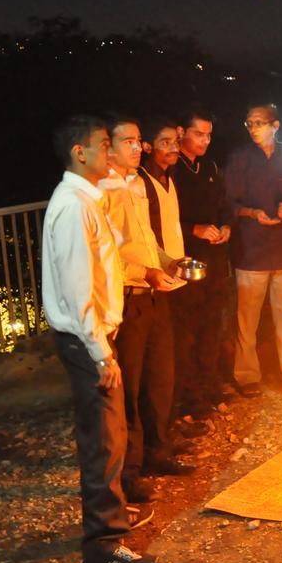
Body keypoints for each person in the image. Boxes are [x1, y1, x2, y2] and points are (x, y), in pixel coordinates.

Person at [42, 114, 156, 563]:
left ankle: (111, 515)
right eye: (104, 144)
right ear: (79, 152)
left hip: (93, 338)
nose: (111, 153)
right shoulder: (73, 207)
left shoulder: (88, 198)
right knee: (104, 440)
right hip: (86, 340)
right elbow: (76, 287)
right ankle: (102, 550)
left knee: (109, 433)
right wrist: (100, 351)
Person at [99, 113, 195, 504]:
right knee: (130, 389)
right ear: (108, 147)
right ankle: (129, 474)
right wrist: (146, 273)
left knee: (160, 378)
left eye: (140, 141)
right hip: (129, 297)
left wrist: (167, 262)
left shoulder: (136, 184)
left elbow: (144, 238)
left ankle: (158, 452)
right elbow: (106, 256)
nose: (138, 148)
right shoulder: (101, 191)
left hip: (154, 294)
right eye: (129, 142)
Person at [224, 103, 282, 391]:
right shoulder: (239, 159)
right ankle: (247, 376)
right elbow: (230, 203)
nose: (252, 129)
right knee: (247, 321)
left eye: (259, 123)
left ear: (275, 126)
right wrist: (252, 213)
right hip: (251, 251)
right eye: (249, 123)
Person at [170, 107, 241, 409]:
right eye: (199, 134)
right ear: (181, 133)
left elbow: (226, 205)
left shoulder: (210, 168)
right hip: (186, 263)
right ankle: (189, 394)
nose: (205, 140)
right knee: (187, 330)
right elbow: (163, 221)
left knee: (213, 325)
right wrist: (194, 230)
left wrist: (226, 226)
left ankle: (210, 384)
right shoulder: (172, 171)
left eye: (209, 135)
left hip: (215, 260)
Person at [138, 116, 204, 433]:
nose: (173, 148)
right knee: (163, 361)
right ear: (147, 147)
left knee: (181, 348)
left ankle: (176, 417)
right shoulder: (141, 183)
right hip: (158, 281)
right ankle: (165, 425)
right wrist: (164, 265)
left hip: (177, 275)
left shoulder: (169, 177)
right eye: (164, 143)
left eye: (175, 142)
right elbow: (147, 236)